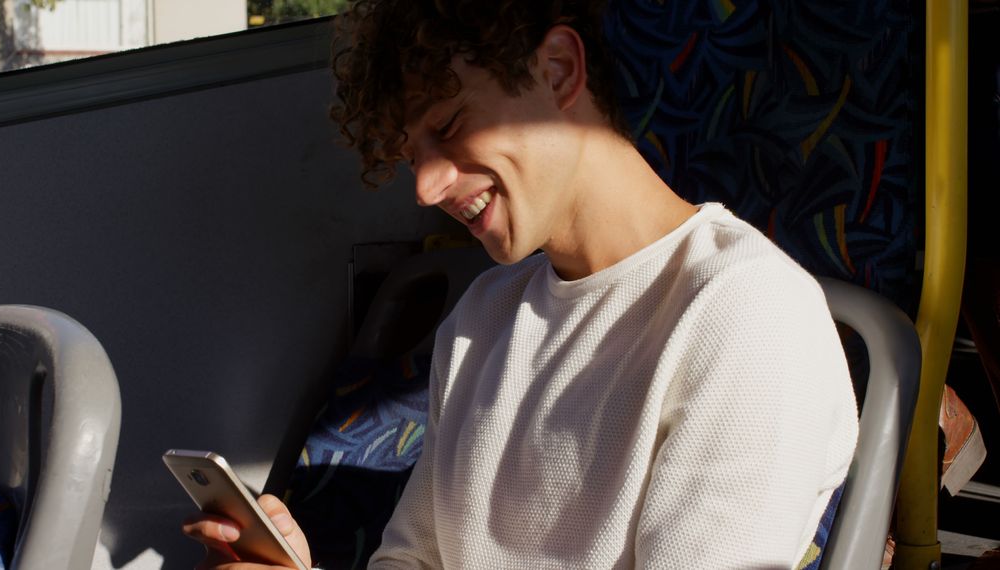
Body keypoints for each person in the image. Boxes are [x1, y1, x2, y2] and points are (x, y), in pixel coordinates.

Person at [183, 0, 859, 567]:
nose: (424, 187)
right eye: (411, 155)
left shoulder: (744, 315)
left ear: (558, 70)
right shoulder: (485, 316)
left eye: (447, 126)